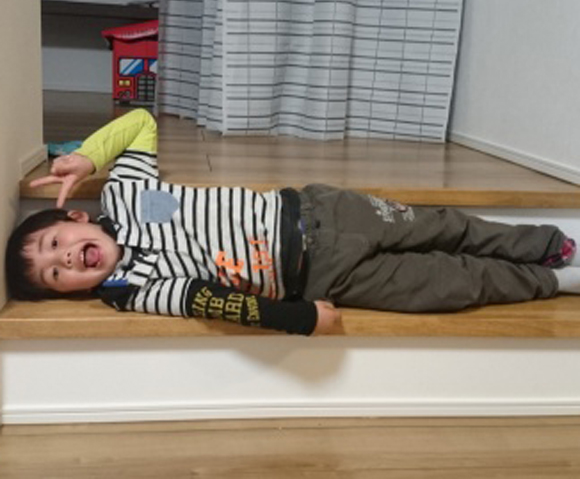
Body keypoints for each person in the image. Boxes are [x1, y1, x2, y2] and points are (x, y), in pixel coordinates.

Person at [5, 109, 580, 335]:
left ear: (76, 215)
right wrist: (300, 319)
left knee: (445, 227)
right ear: (71, 291)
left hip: (322, 212)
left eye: (56, 241)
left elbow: (141, 124)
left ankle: (553, 244)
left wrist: (88, 157)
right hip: (320, 279)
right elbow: (211, 301)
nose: (65, 258)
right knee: (447, 285)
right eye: (55, 274)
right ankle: (554, 280)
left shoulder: (129, 196)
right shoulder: (131, 290)